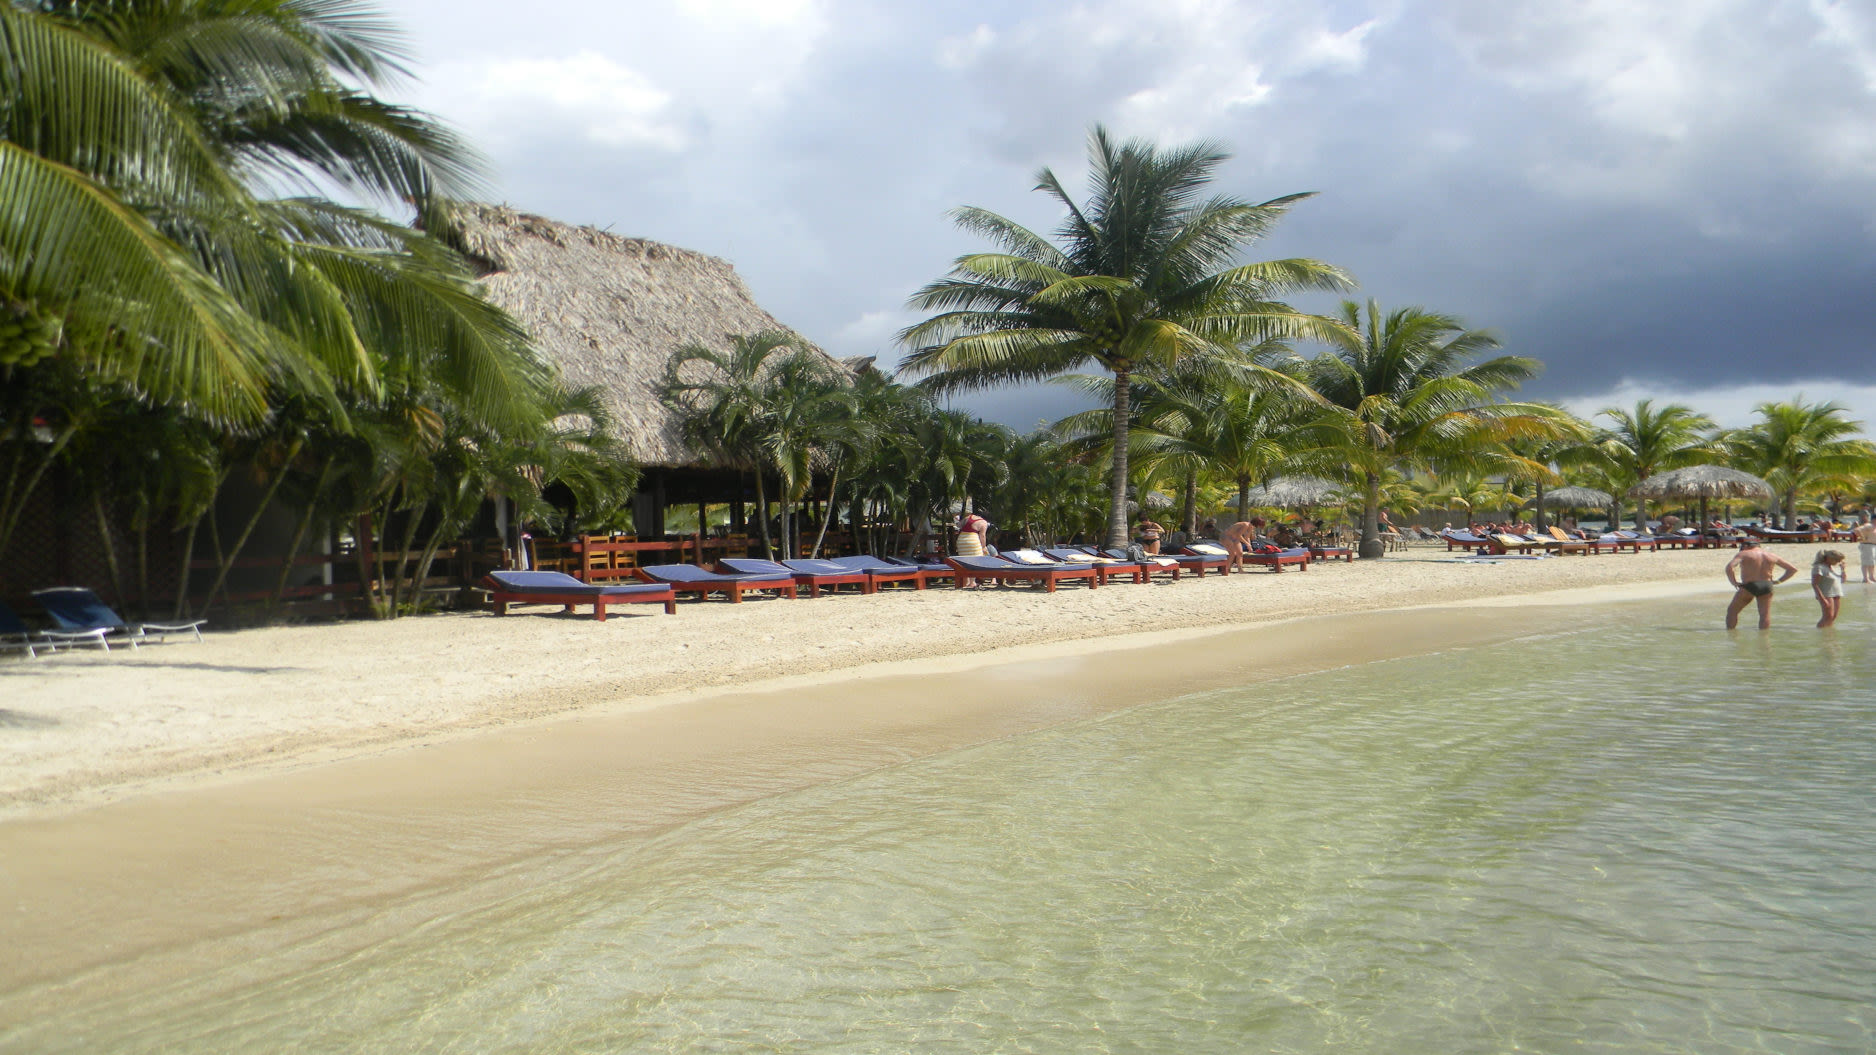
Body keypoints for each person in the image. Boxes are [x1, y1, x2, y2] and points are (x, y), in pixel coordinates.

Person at [1725, 538, 1799, 630]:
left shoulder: (1744, 553)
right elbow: (1792, 569)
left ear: (1746, 546)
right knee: (1764, 614)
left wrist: (1734, 582)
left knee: (1732, 611)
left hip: (1749, 585)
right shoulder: (1771, 555)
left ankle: (1731, 635)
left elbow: (1729, 567)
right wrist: (1778, 581)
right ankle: (1764, 637)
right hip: (1766, 585)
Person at [1812, 549, 1848, 627]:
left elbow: (1843, 580)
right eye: (1837, 560)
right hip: (1826, 594)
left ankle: (1828, 633)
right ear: (1829, 558)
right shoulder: (1819, 567)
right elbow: (1815, 584)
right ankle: (1819, 630)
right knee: (1827, 617)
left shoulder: (1833, 568)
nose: (1838, 562)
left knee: (1833, 617)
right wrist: (1822, 599)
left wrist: (1843, 569)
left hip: (1837, 594)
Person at [1854, 516, 1876, 583]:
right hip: (1867, 545)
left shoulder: (1874, 527)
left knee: (1872, 563)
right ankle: (1865, 578)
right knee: (1866, 562)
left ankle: (1871, 577)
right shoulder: (1869, 525)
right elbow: (1857, 530)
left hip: (1873, 546)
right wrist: (1862, 537)